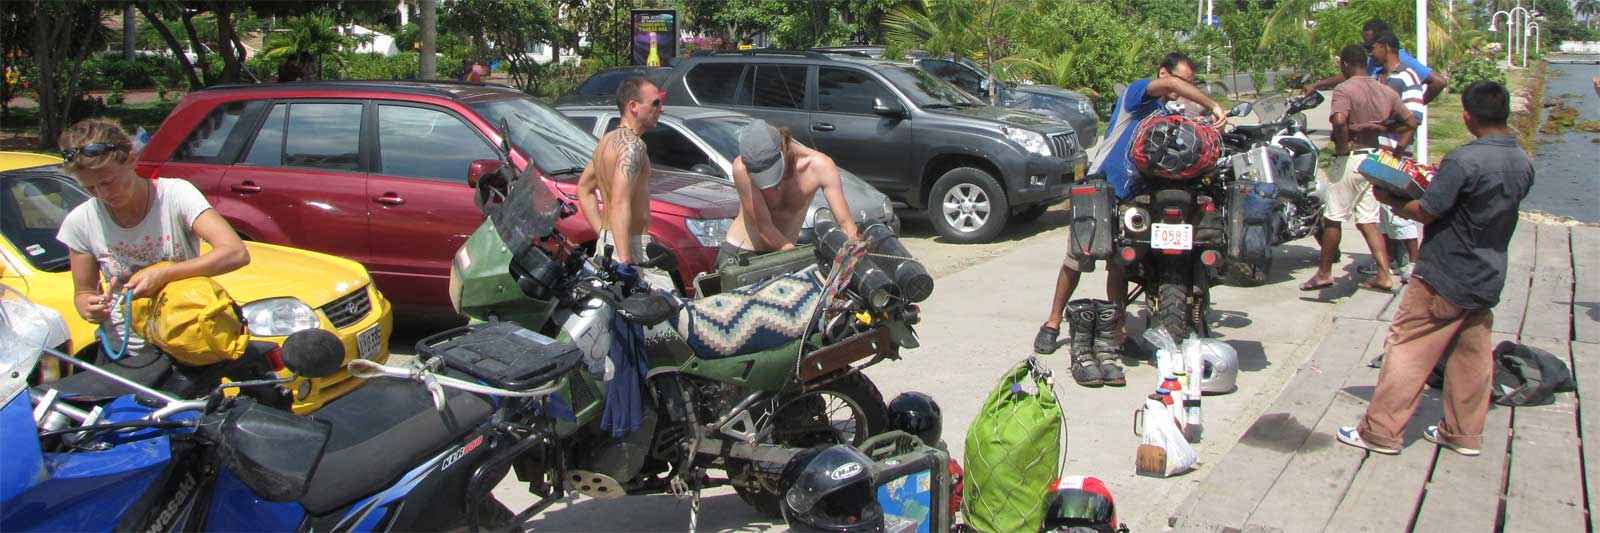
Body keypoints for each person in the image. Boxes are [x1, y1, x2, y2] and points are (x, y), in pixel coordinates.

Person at [1337, 81, 1533, 456]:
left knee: (1408, 348)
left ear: (1467, 116)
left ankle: (1380, 432)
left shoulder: (1465, 160)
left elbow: (1427, 211)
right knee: (1471, 357)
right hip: (1488, 272)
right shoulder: (1522, 161)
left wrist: (1389, 199)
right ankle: (1462, 434)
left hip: (1444, 272)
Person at [1035, 52, 1228, 388]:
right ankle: (1052, 323)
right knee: (1077, 259)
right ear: (1164, 74)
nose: (1183, 89)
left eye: (1189, 84)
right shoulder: (1137, 96)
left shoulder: (1172, 112)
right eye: (1181, 81)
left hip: (1136, 198)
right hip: (1104, 184)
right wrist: (1213, 104)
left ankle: (1117, 331)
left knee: (1120, 265)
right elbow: (1168, 87)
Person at [55, 118, 250, 369]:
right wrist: (89, 307)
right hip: (127, 353)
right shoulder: (80, 221)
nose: (102, 195)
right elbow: (83, 293)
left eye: (107, 182)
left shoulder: (175, 195)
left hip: (187, 344)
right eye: (90, 188)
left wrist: (164, 273)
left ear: (131, 159)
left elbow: (235, 252)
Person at [1299, 45, 1417, 294]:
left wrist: (1342, 146)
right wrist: (1391, 140)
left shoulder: (1345, 89)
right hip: (1374, 159)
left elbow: (1340, 120)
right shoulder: (1384, 89)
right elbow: (1410, 122)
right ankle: (1384, 275)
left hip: (1351, 158)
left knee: (1333, 217)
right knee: (1368, 221)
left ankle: (1324, 273)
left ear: (1344, 64)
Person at [718, 120, 860, 268]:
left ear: (782, 147)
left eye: (769, 169)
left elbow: (845, 223)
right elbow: (765, 227)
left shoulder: (820, 166)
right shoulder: (742, 168)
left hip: (786, 254)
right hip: (743, 254)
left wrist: (854, 255)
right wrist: (800, 262)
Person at [577, 77, 664, 266]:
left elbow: (584, 189)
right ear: (633, 106)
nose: (661, 109)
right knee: (662, 295)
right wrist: (625, 260)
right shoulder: (634, 146)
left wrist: (603, 234)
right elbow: (619, 202)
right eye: (655, 104)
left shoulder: (606, 141)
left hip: (609, 242)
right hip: (630, 247)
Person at [1371, 31, 1428, 281]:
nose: (1370, 53)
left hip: (1397, 153)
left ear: (1385, 46)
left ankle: (1414, 262)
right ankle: (1391, 261)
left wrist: (1397, 148)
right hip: (1381, 151)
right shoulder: (1379, 77)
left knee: (1399, 210)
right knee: (1383, 211)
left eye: (1372, 47)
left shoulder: (1407, 75)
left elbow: (1414, 119)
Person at [1303, 19, 1450, 105]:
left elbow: (1439, 81)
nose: (1368, 50)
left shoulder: (1402, 60)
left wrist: (1416, 106)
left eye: (1370, 44)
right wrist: (1317, 85)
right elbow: (1353, 74)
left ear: (1383, 43)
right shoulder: (1375, 60)